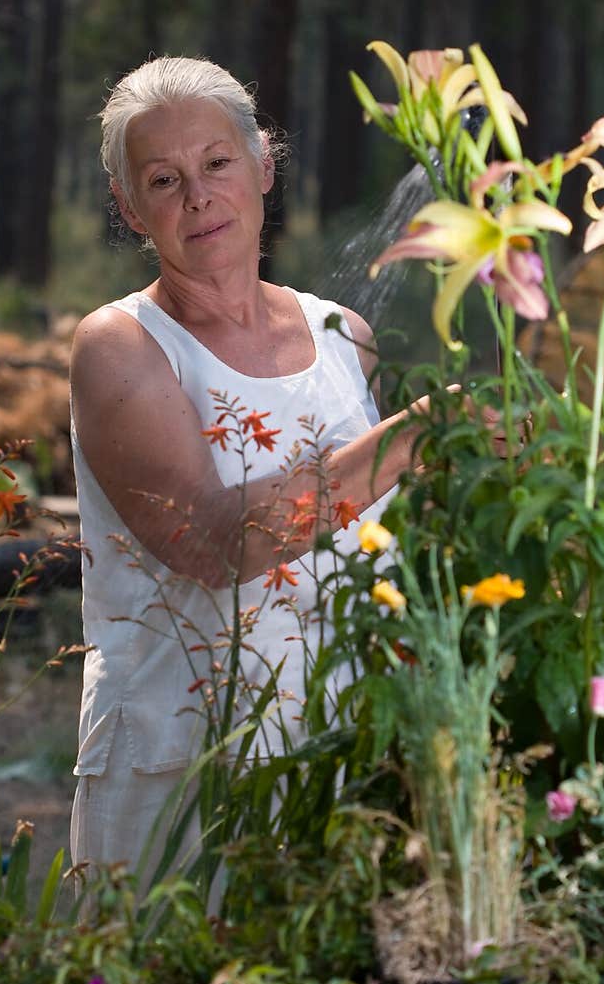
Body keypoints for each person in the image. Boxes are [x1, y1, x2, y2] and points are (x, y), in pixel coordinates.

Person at [68, 54, 432, 897]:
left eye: (218, 163)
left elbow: (370, 543)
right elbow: (209, 540)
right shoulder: (121, 347)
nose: (198, 197)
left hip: (340, 750)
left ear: (264, 165)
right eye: (164, 179)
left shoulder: (342, 332)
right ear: (130, 207)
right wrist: (406, 439)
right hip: (187, 762)